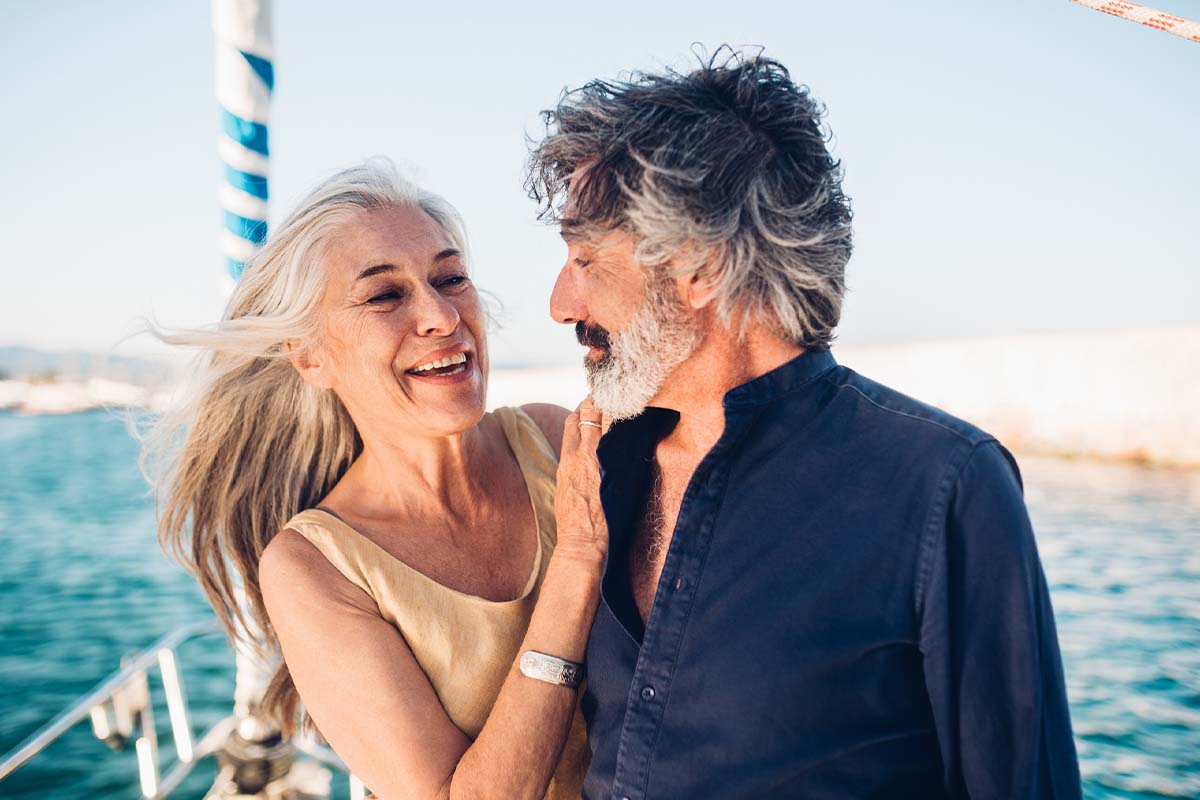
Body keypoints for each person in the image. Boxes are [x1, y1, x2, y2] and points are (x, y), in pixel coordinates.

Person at [525, 50, 1083, 798]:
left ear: (698, 266)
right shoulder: (603, 466)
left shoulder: (943, 485)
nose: (561, 304)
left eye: (585, 258)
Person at [146, 161, 605, 799]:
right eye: (385, 296)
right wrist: (577, 562)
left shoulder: (555, 441)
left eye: (451, 278)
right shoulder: (315, 567)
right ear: (309, 355)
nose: (442, 317)